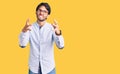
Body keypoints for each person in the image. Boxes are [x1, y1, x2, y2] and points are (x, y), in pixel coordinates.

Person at [19, 2, 64, 74]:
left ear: (48, 15)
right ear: (36, 12)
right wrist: (24, 30)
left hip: (49, 68)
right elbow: (22, 44)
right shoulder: (30, 27)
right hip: (33, 68)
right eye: (40, 10)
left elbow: (61, 46)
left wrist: (58, 33)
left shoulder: (52, 28)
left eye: (45, 11)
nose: (41, 13)